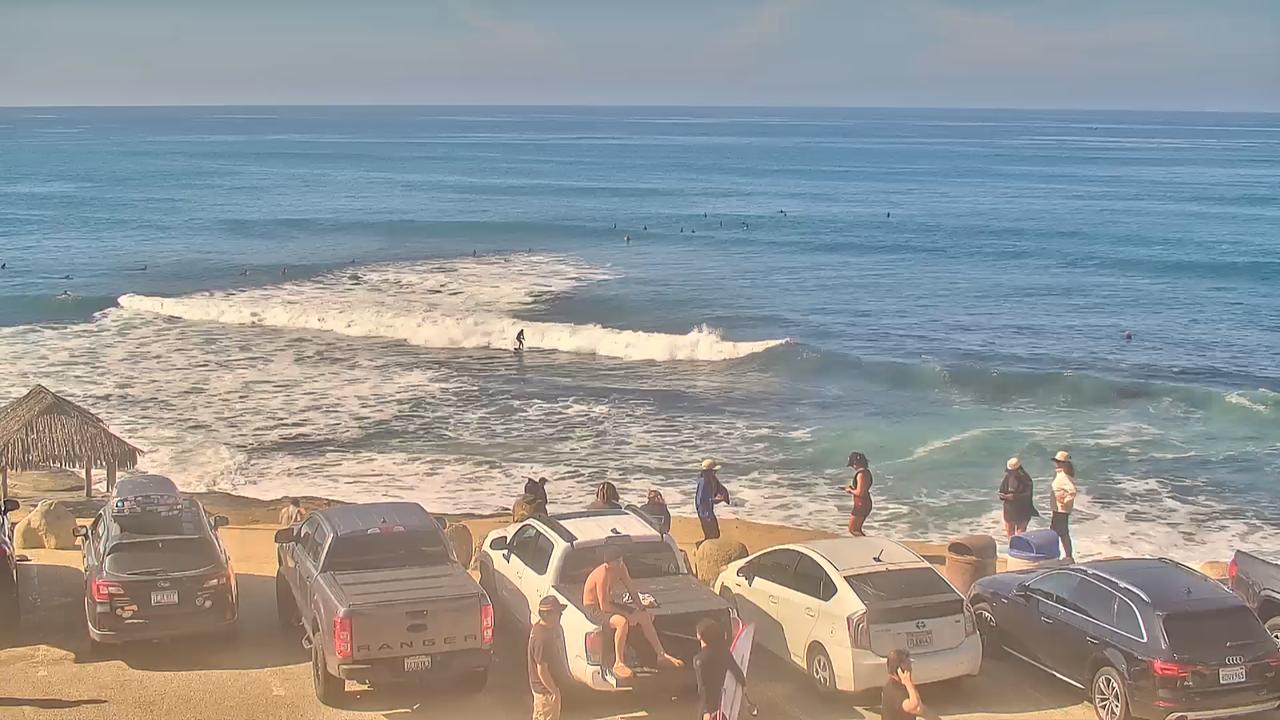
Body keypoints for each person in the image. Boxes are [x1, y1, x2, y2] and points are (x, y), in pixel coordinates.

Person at [582, 545, 683, 680]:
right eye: (617, 561)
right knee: (622, 622)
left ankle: (661, 655)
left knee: (644, 616)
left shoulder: (621, 568)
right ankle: (619, 662)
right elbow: (604, 606)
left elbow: (631, 589)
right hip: (594, 608)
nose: (620, 563)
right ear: (608, 564)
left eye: (621, 560)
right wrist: (628, 615)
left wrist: (641, 608)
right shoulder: (602, 574)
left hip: (609, 604)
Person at [693, 617, 753, 720]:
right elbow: (738, 673)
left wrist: (707, 711)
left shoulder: (699, 660)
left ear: (700, 636)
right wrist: (743, 687)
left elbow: (703, 687)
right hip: (726, 701)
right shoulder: (724, 652)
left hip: (710, 706)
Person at [528, 595, 565, 720]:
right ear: (548, 615)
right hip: (545, 693)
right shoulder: (542, 638)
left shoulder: (539, 628)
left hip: (543, 691)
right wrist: (554, 691)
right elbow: (542, 670)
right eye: (558, 613)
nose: (560, 616)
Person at [1049, 450, 1078, 561]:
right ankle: (1067, 556)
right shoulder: (1061, 474)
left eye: (1058, 462)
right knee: (1061, 532)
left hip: (1061, 510)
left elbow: (1072, 491)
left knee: (1058, 532)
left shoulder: (1064, 476)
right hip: (1059, 509)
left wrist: (1065, 501)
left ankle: (1064, 556)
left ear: (1064, 463)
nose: (1056, 463)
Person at [999, 457, 1038, 538]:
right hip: (1009, 509)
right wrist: (1002, 496)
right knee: (1010, 534)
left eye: (1012, 471)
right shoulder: (1008, 477)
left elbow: (1028, 495)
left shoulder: (1026, 479)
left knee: (1021, 535)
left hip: (1023, 509)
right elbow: (1002, 490)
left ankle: (1018, 546)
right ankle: (1011, 546)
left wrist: (1014, 497)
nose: (1011, 473)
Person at [881, 649, 925, 720]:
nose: (910, 668)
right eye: (908, 664)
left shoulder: (900, 684)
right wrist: (908, 683)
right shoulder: (894, 691)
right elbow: (915, 706)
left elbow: (919, 708)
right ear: (899, 670)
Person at [695, 459, 731, 545]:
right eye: (714, 471)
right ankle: (700, 547)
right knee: (712, 535)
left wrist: (725, 495)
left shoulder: (712, 479)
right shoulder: (703, 482)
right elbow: (702, 500)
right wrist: (719, 500)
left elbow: (720, 488)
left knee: (715, 534)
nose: (715, 473)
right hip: (704, 512)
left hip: (708, 510)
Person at [844, 452, 873, 536]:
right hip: (863, 502)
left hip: (861, 504)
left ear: (856, 463)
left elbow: (860, 492)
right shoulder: (866, 472)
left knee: (853, 529)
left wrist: (850, 490)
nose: (853, 467)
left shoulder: (861, 474)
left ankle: (867, 543)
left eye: (853, 465)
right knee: (856, 529)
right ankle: (864, 542)